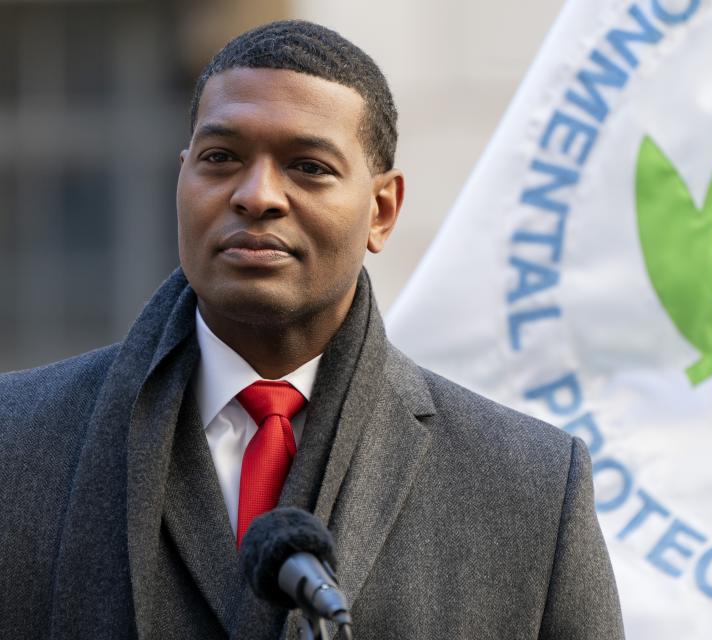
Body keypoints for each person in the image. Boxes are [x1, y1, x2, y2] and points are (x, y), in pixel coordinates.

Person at [0, 20, 623, 639]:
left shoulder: (529, 491)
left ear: (381, 211)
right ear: (182, 178)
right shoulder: (17, 443)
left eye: (307, 166)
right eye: (221, 159)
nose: (257, 195)